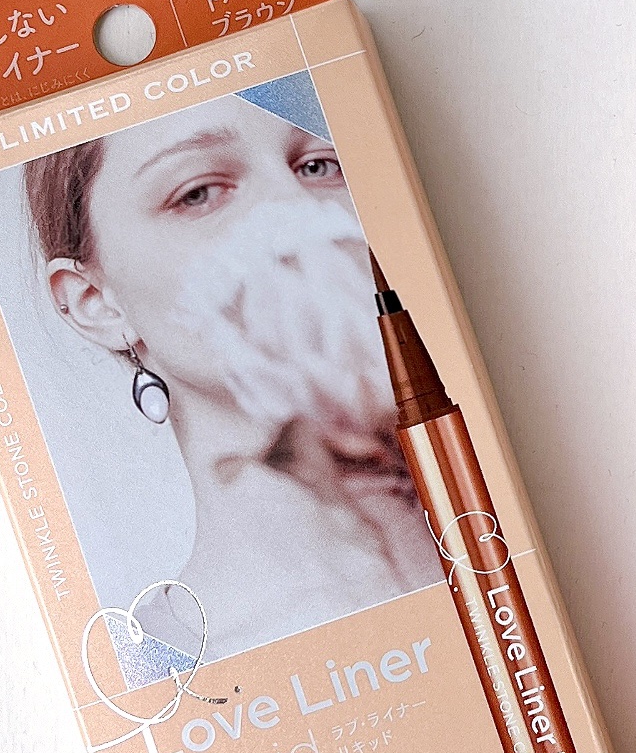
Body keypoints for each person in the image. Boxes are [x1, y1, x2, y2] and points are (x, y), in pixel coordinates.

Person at [24, 94, 440, 663]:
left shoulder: (510, 546)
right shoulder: (150, 674)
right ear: (96, 302)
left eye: (318, 166)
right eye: (198, 193)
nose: (295, 207)